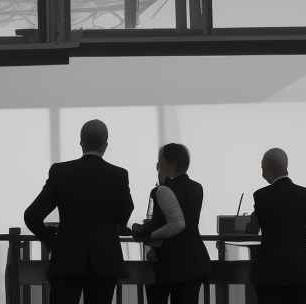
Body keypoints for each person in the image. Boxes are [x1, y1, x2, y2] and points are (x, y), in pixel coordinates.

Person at [24, 118, 134, 304]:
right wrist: (112, 227)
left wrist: (52, 241)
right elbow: (126, 209)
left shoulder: (60, 172)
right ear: (105, 145)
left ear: (81, 142)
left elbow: (32, 215)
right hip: (105, 260)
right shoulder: (118, 175)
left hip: (67, 259)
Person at [132, 143, 211, 304]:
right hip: (194, 260)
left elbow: (159, 223)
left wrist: (144, 233)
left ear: (170, 164)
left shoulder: (161, 191)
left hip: (167, 262)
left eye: (159, 162)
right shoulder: (197, 188)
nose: (157, 167)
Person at [250, 147, 306, 304]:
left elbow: (252, 230)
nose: (261, 173)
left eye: (262, 168)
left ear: (268, 168)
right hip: (301, 273)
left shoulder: (261, 196)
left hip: (269, 275)